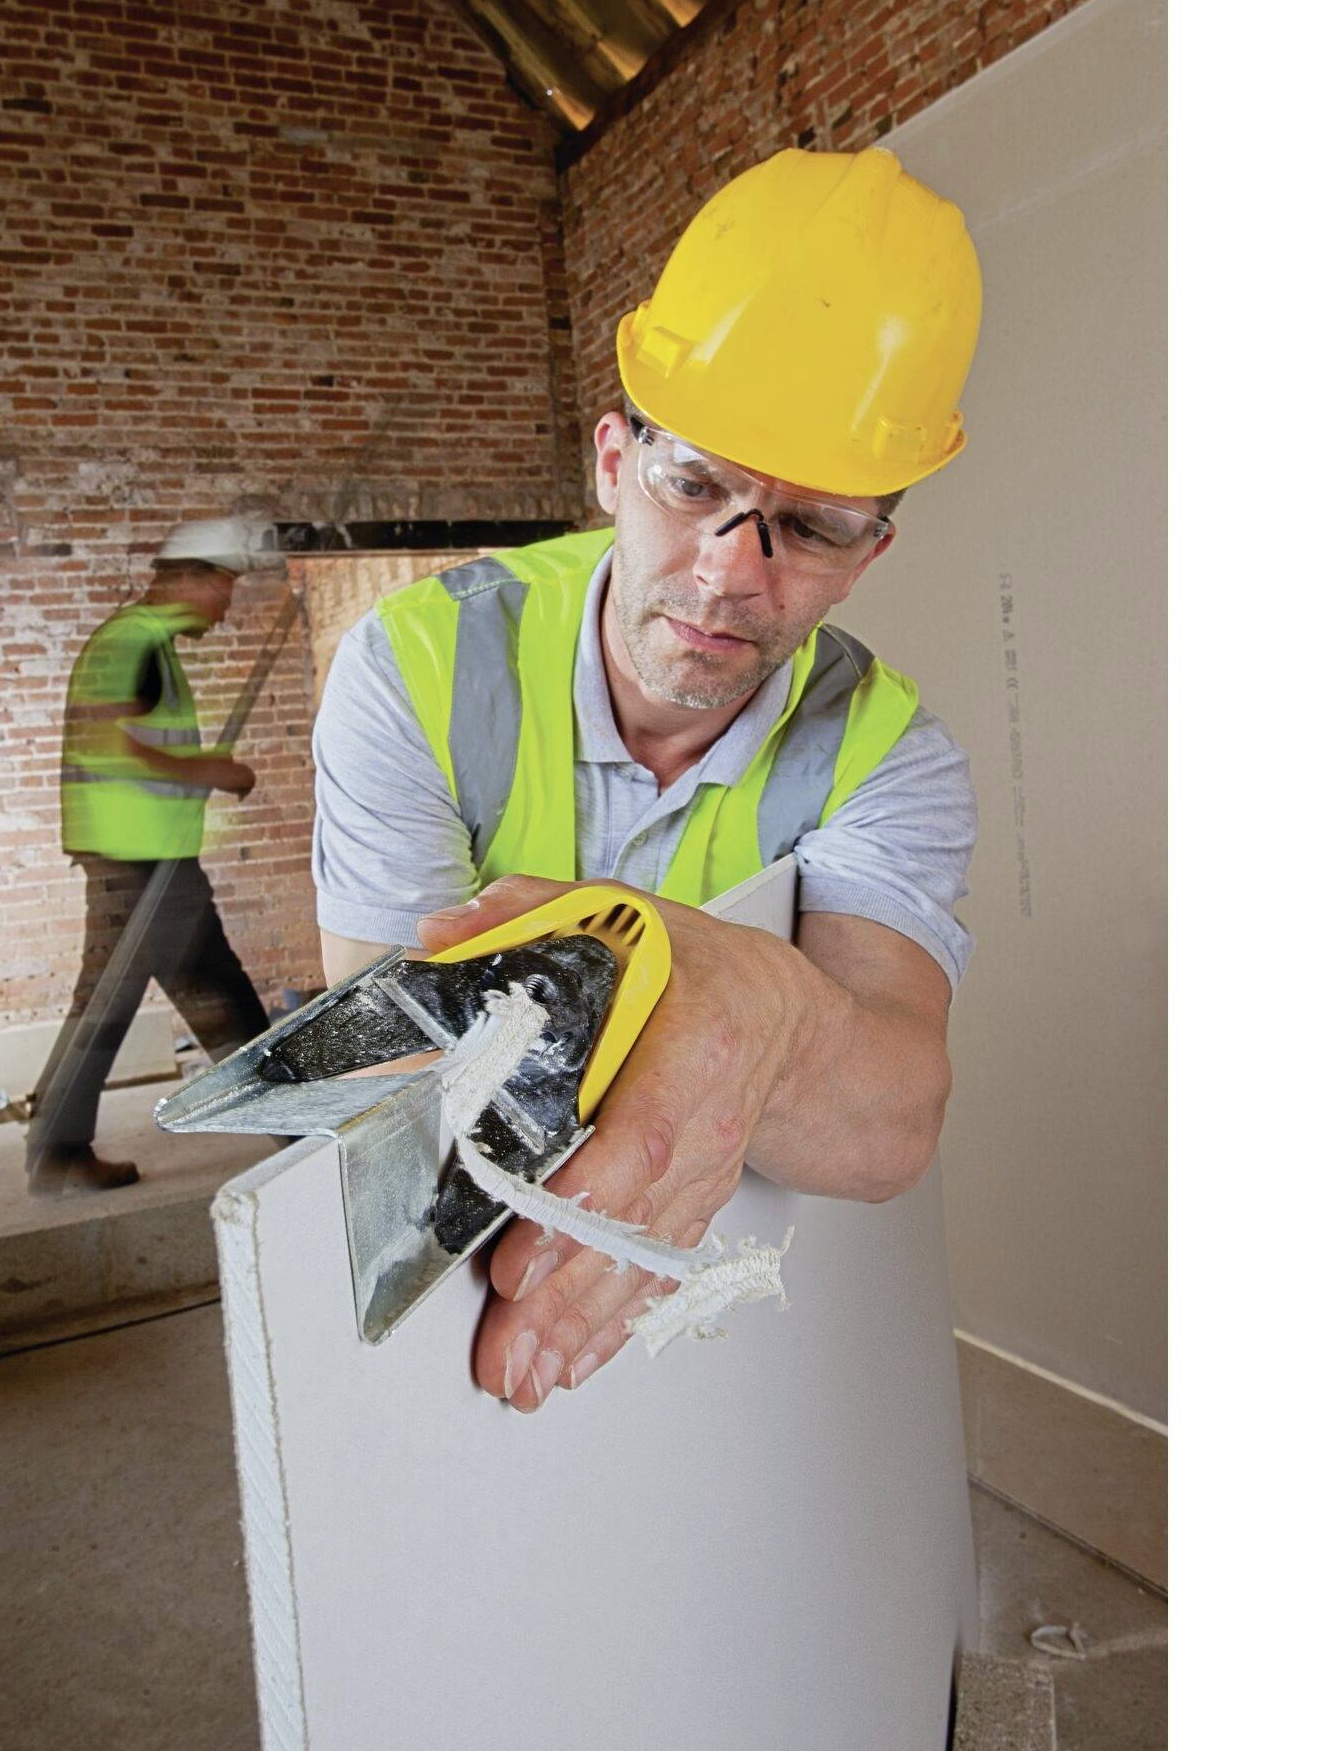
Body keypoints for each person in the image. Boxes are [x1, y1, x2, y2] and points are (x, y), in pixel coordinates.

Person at [310, 146, 983, 1407]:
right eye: (696, 486)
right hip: (483, 1298)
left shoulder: (889, 753)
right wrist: (668, 988)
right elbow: (386, 1065)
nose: (732, 571)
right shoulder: (417, 667)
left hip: (741, 1316)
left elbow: (889, 1123)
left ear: (867, 552)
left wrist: (763, 1015)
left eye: (811, 528)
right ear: (614, 463)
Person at [25, 516, 278, 1195]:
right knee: (161, 999)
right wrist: (210, 773)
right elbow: (105, 743)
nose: (226, 609)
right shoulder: (130, 643)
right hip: (135, 861)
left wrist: (200, 772)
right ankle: (57, 1147)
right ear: (189, 578)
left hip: (148, 856)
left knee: (204, 992)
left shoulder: (147, 647)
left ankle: (293, 1122)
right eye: (223, 588)